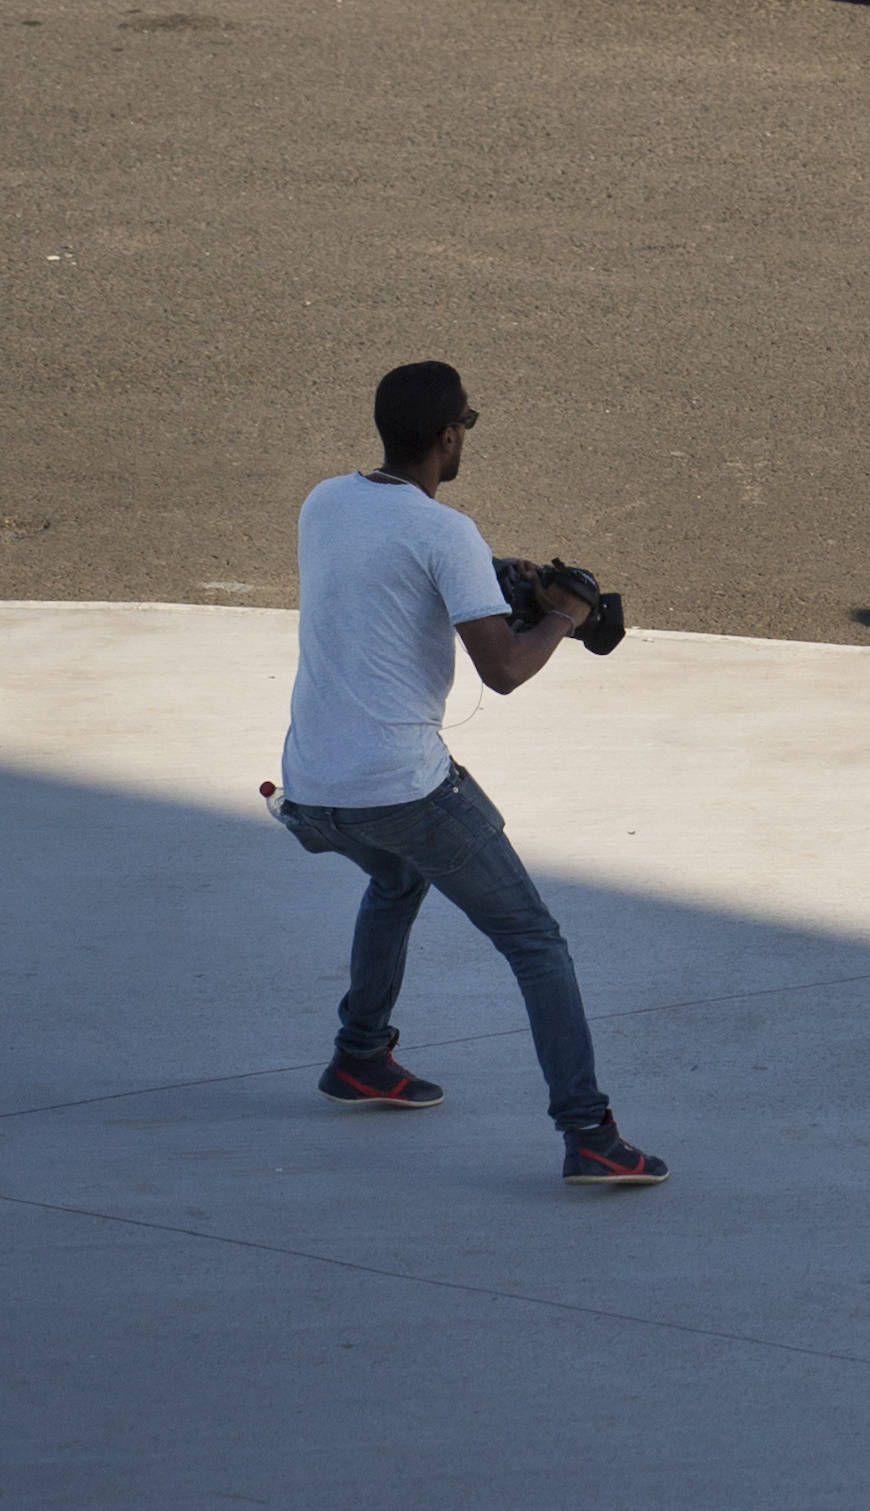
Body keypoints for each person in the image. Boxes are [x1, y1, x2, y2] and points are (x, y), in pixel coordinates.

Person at [271, 360, 666, 1188]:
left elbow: (391, 572)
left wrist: (492, 574)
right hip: (401, 791)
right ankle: (589, 1131)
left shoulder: (324, 501)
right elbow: (504, 669)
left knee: (397, 878)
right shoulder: (446, 533)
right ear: (450, 437)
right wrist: (564, 614)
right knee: (535, 940)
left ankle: (360, 1055)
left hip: (310, 790)